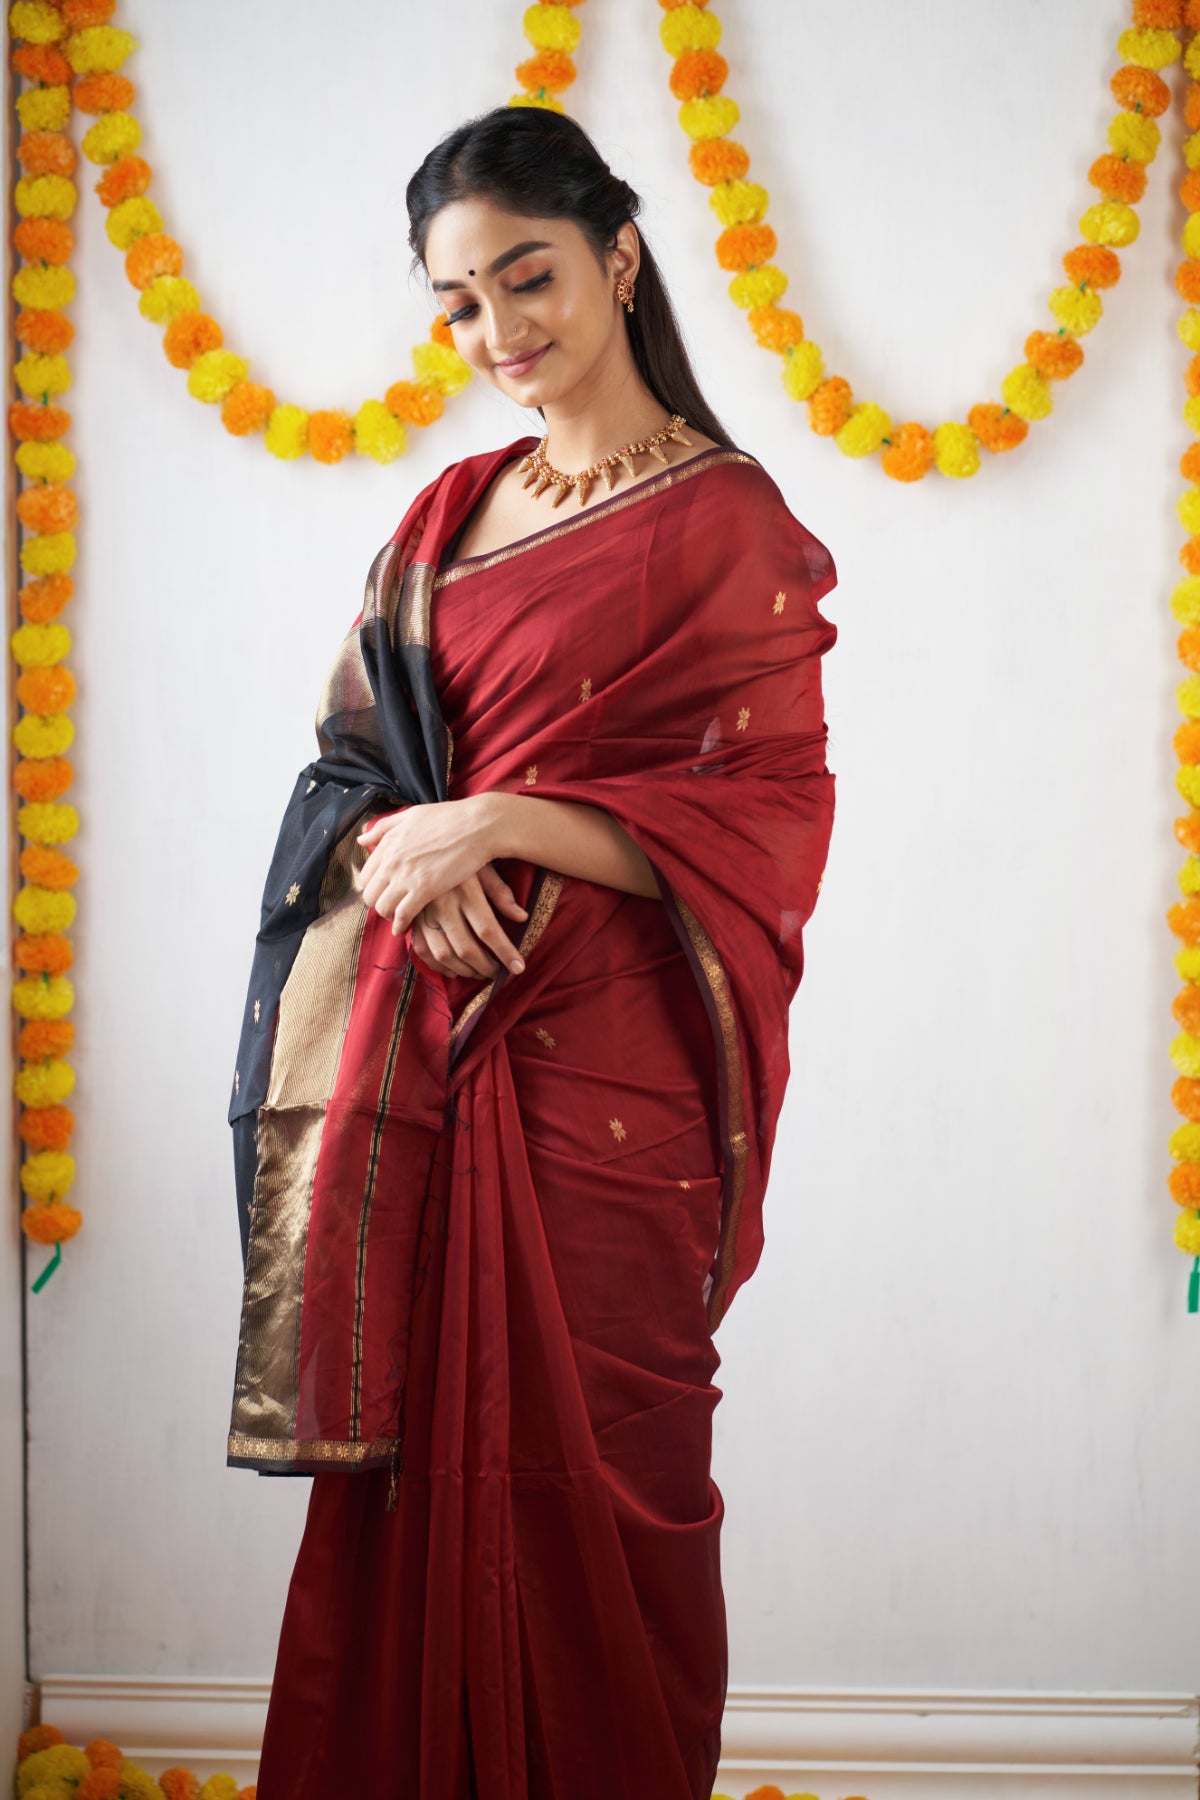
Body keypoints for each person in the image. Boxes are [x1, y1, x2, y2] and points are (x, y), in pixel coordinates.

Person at [227, 103, 839, 1800]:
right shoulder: (445, 516)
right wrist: (403, 855)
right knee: (416, 1480)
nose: (500, 333)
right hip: (424, 1069)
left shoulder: (725, 522)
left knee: (611, 1474)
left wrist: (492, 826)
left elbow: (769, 805)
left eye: (530, 279)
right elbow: (353, 767)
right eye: (460, 304)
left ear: (620, 258)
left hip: (612, 1092)